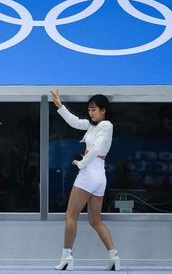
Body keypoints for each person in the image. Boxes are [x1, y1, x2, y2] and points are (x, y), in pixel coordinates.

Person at [50, 90, 120, 271]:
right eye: (89, 109)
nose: (91, 112)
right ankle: (114, 257)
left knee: (70, 216)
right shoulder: (93, 126)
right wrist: (59, 105)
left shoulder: (106, 125)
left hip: (90, 172)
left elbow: (96, 149)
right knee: (94, 220)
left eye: (94, 109)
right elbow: (74, 121)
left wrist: (81, 164)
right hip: (99, 175)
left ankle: (67, 257)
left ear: (103, 110)